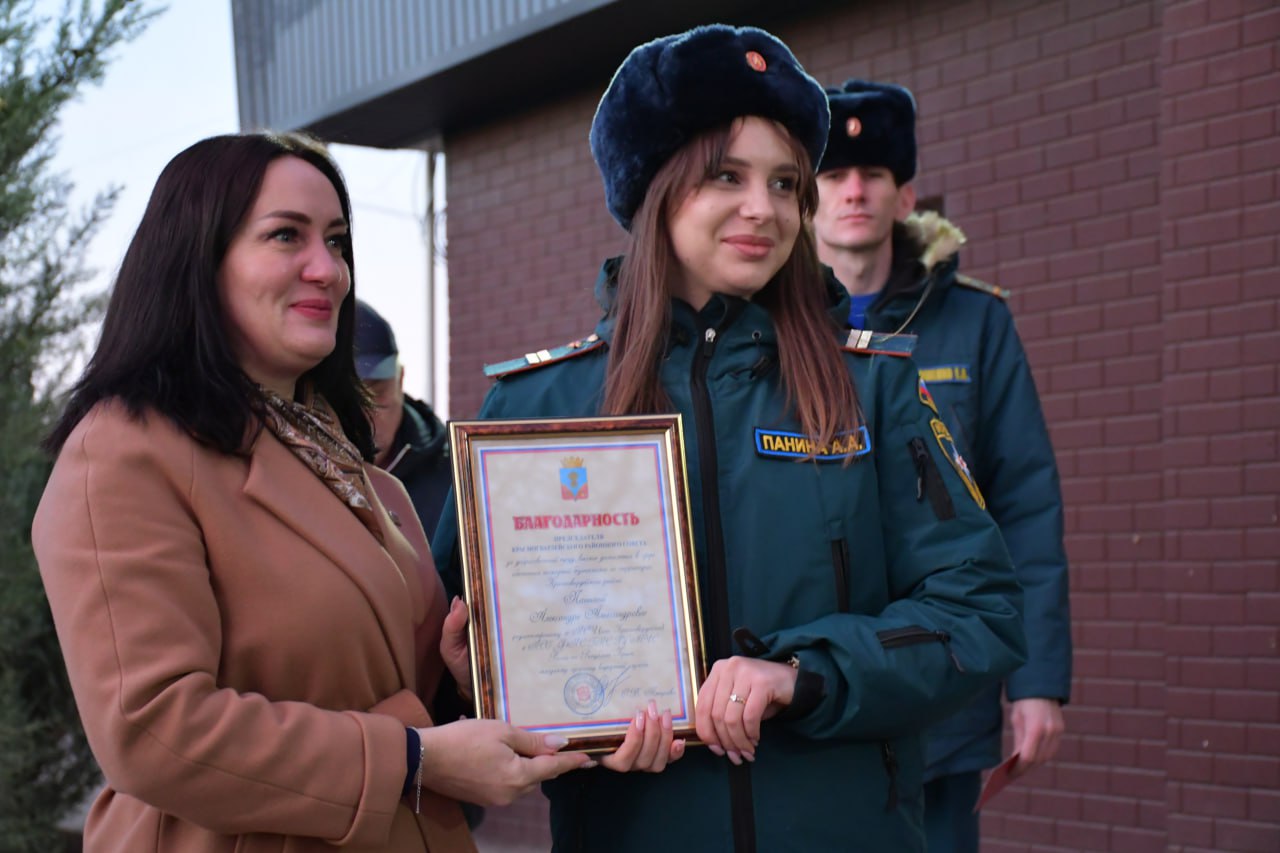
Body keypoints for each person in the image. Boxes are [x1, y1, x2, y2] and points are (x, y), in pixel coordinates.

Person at [432, 25, 1027, 852]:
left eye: (785, 183)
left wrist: (805, 673)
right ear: (654, 188)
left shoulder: (874, 387)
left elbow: (979, 612)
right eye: (727, 176)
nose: (764, 208)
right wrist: (483, 681)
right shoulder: (536, 408)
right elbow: (439, 673)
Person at [32, 131, 592, 853]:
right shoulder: (124, 452)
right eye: (285, 235)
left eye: (336, 240)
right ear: (197, 259)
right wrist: (411, 759)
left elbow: (371, 684)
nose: (328, 270)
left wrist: (461, 679)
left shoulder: (361, 474)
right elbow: (152, 729)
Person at [811, 80, 1073, 851]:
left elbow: (1023, 502)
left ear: (905, 196)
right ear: (806, 198)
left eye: (874, 175)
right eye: (834, 175)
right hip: (816, 689)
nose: (854, 191)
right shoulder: (772, 326)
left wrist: (1036, 680)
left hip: (946, 690)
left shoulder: (976, 321)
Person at [355, 299, 452, 535]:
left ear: (400, 381)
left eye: (376, 393)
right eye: (345, 400)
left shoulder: (456, 481)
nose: (364, 416)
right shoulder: (294, 477)